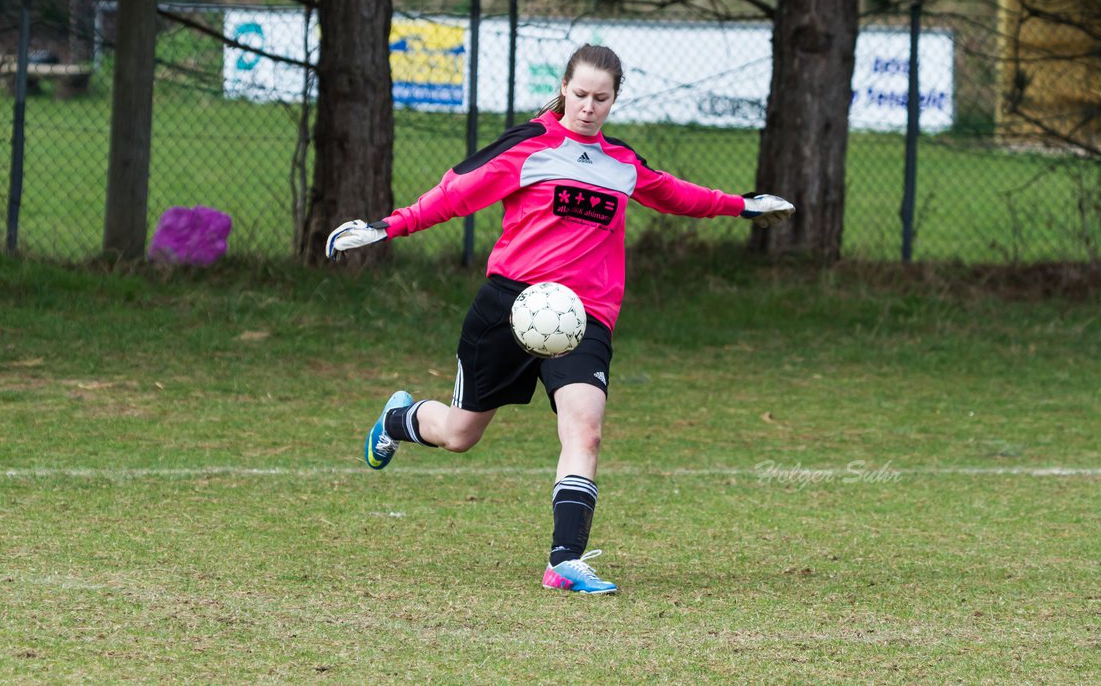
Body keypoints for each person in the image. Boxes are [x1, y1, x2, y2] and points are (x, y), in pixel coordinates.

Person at [325, 44, 794, 595]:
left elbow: (673, 194)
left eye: (601, 98)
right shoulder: (529, 146)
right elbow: (455, 195)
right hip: (509, 307)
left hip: (584, 316)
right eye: (580, 95)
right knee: (459, 434)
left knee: (585, 429)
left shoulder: (622, 163)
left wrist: (741, 205)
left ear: (615, 99)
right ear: (563, 89)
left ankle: (565, 560)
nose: (589, 107)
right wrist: (386, 227)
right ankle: (399, 419)